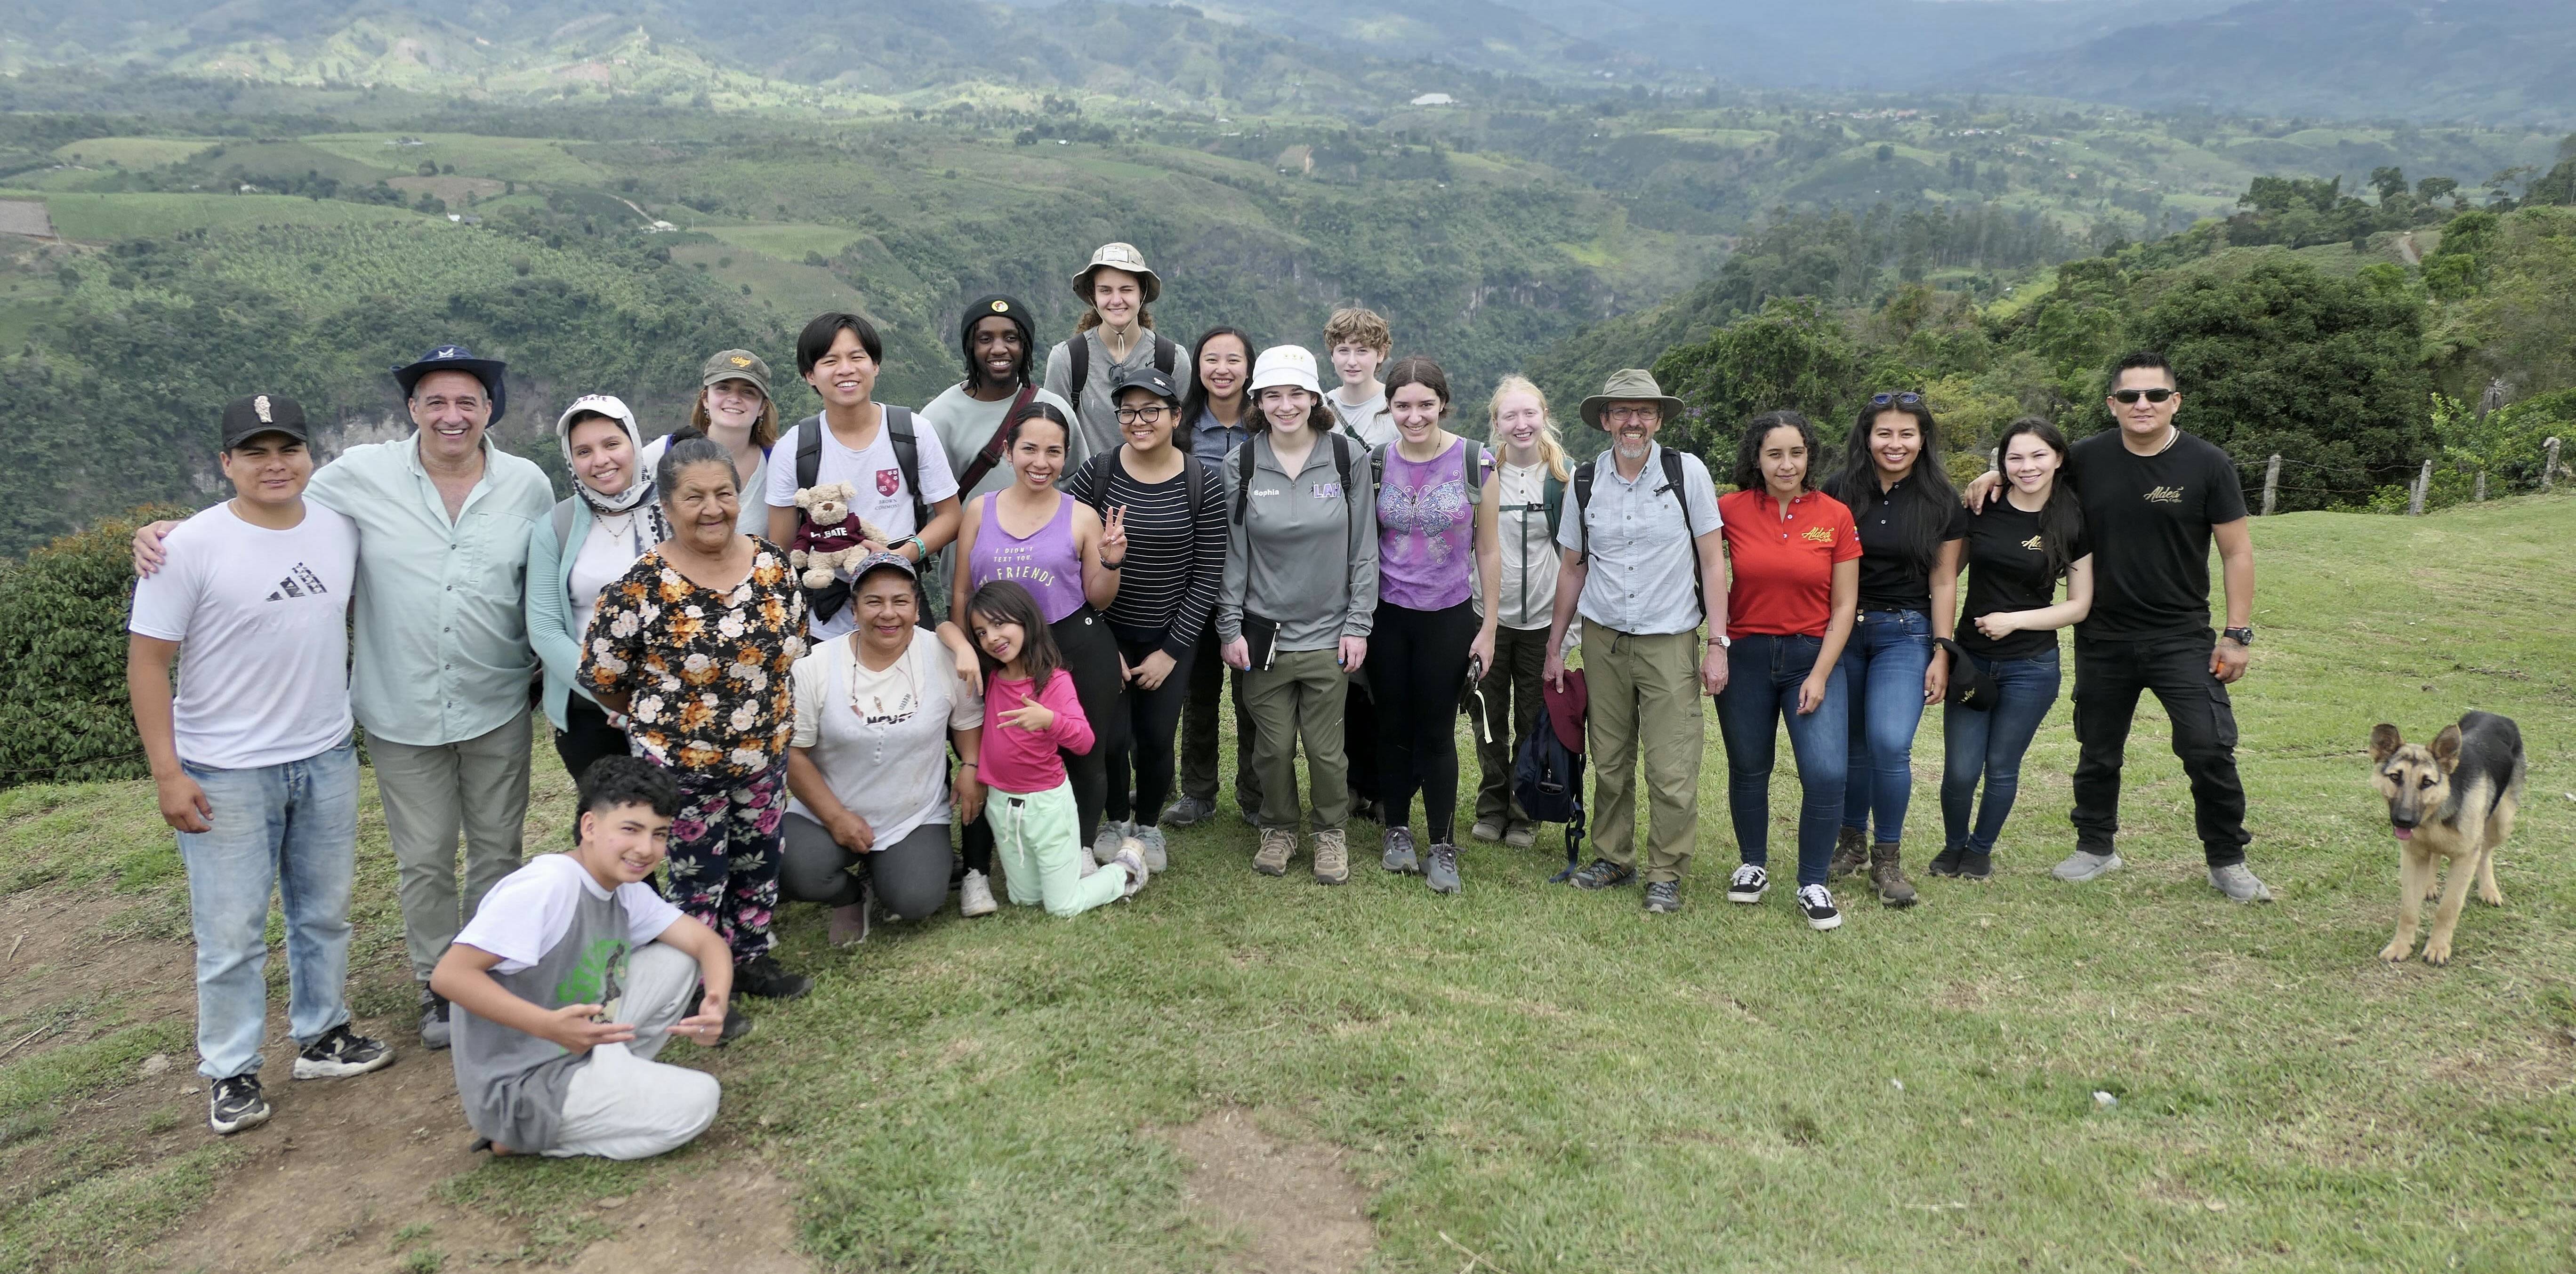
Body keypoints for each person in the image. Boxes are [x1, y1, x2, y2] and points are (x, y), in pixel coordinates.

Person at [133, 343, 555, 1051]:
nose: (452, 416)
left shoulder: (528, 485)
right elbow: (266, 501)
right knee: (423, 858)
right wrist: (168, 532)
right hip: (398, 707)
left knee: (495, 850)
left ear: (490, 410)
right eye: (436, 402)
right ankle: (439, 980)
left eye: (467, 402)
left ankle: (493, 970)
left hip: (497, 700)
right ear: (412, 410)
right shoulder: (357, 475)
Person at [127, 394, 392, 1137]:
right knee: (232, 928)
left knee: (324, 909)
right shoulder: (189, 546)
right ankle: (232, 1068)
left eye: (288, 450)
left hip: (325, 751)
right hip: (224, 767)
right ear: (226, 464)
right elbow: (147, 662)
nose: (274, 465)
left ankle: (322, 1034)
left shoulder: (339, 528)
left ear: (311, 455)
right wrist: (167, 772)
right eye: (255, 452)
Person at [1963, 352, 2267, 901]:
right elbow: (2034, 468)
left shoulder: (2207, 464)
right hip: (2102, 634)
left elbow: (2237, 552)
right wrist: (1993, 473)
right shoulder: (2086, 458)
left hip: (2181, 633)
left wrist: (2236, 633)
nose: (2142, 405)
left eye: (2155, 395)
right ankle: (2096, 846)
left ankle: (2227, 858)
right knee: (2098, 748)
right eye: (2129, 396)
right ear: (2113, 404)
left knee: (2207, 746)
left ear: (2175, 401)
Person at [584, 428, 811, 1023]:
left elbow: (794, 646)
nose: (713, 508)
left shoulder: (772, 566)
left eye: (724, 494)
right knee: (695, 877)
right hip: (680, 766)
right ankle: (700, 986)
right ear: (666, 506)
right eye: (694, 497)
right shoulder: (643, 583)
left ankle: (752, 958)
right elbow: (602, 672)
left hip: (764, 754)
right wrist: (657, 717)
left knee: (759, 861)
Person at [431, 756, 733, 1160]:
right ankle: (524, 1134)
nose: (645, 849)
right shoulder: (547, 886)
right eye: (630, 829)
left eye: (659, 834)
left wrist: (716, 1001)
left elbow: (707, 944)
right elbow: (449, 976)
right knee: (700, 1099)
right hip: (522, 1083)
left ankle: (610, 1078)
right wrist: (548, 1026)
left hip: (580, 1044)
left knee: (677, 960)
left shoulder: (626, 888)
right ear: (589, 826)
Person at [1543, 369, 1727, 915]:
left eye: (1644, 411)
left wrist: (1718, 643)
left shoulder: (1685, 471)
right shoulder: (1584, 479)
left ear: (1659, 418)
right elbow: (1573, 568)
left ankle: (1666, 871)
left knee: (1672, 764)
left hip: (1669, 638)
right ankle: (1613, 856)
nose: (1633, 422)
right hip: (1604, 638)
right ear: (1605, 420)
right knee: (1611, 757)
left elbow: (1713, 560)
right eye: (1622, 411)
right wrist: (1557, 646)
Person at [1219, 345, 1379, 883]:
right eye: (1272, 395)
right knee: (1272, 746)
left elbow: (1364, 548)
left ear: (1314, 398)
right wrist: (1229, 627)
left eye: (1295, 394)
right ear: (1257, 402)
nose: (1285, 406)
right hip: (1263, 634)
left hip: (1329, 632)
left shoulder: (1344, 457)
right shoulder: (1240, 464)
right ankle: (1280, 828)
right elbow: (1233, 553)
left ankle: (1331, 834)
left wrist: (1358, 623)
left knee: (1326, 748)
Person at [952, 401, 1129, 880]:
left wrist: (1111, 561)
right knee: (996, 753)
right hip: (997, 652)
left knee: (1085, 753)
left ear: (1066, 456)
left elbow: (1099, 597)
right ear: (1009, 451)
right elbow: (964, 590)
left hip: (1072, 644)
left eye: (1054, 451)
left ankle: (1081, 847)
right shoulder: (979, 510)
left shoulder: (1083, 516)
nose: (1041, 461)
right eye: (1029, 448)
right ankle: (982, 864)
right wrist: (963, 647)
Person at [1067, 365, 1227, 872]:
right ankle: (1116, 818)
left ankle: (1151, 825)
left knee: (1157, 737)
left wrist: (1171, 651)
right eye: (1129, 411)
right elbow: (1068, 554)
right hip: (1105, 632)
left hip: (1169, 634)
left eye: (1152, 410)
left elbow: (1207, 575)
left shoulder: (1203, 480)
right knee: (1112, 738)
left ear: (1176, 416)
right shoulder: (1099, 473)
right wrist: (1100, 643)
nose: (1140, 421)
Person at [780, 553, 985, 945]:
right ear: (854, 610)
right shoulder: (816, 665)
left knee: (916, 900)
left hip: (912, 815)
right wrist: (837, 816)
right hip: (828, 812)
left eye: (901, 601)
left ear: (916, 607)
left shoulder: (944, 656)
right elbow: (794, 752)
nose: (888, 613)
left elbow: (967, 720)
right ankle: (849, 895)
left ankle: (885, 870)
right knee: (794, 867)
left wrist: (972, 765)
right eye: (874, 602)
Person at [1712, 411, 1862, 931]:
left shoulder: (1835, 515)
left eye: (1796, 453)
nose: (1786, 464)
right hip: (1746, 654)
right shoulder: (1729, 508)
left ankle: (1813, 881)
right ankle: (1753, 864)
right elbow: (1700, 565)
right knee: (1749, 766)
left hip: (1811, 657)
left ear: (1809, 456)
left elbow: (1845, 606)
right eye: (1774, 453)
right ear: (1757, 457)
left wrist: (1821, 673)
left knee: (1825, 772)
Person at [1818, 393, 1968, 908]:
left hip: (1905, 632)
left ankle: (1887, 857)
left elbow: (1945, 580)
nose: (1895, 443)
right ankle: (1851, 843)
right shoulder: (1838, 491)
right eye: (1885, 433)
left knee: (1888, 742)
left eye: (1907, 434)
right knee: (1851, 745)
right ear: (1866, 436)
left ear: (1923, 440)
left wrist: (1942, 651)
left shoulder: (1942, 499)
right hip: (1841, 631)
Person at [1937, 418, 2093, 880]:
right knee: (1961, 770)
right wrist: (1942, 644)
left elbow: (2079, 605)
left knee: (2002, 766)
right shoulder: (1982, 507)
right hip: (1970, 662)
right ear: (2002, 463)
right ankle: (1953, 846)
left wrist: (2014, 621)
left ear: (2059, 458)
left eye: (2039, 456)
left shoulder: (2072, 518)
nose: (2028, 467)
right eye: (2016, 458)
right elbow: (1946, 575)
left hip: (2032, 666)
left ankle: (1981, 851)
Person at [1366, 357, 1499, 894]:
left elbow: (1488, 550)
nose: (1414, 416)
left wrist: (1488, 627)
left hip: (1447, 615)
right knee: (1393, 728)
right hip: (1387, 615)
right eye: (1403, 405)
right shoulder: (1375, 464)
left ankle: (1442, 844)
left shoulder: (1475, 461)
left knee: (1439, 733)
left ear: (1442, 402)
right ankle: (1397, 831)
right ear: (1390, 406)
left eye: (1425, 404)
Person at [766, 312, 963, 648]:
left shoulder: (912, 432)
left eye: (857, 357)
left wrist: (903, 555)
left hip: (900, 607)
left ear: (875, 366)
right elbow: (782, 549)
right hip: (825, 625)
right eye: (830, 360)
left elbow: (951, 516)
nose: (846, 369)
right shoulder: (794, 448)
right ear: (810, 375)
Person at [966, 581, 1150, 915]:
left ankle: (1125, 868)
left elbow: (1084, 740)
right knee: (1024, 898)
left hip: (1047, 808)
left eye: (998, 624)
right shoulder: (993, 675)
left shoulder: (1053, 680)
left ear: (1025, 620)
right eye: (980, 632)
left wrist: (1049, 719)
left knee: (1062, 906)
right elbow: (948, 629)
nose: (990, 638)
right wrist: (962, 645)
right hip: (1003, 807)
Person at [529, 395, 668, 781]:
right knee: (613, 830)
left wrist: (655, 690)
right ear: (571, 459)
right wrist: (611, 692)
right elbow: (544, 628)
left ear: (634, 443)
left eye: (611, 444)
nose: (601, 460)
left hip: (676, 699)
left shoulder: (675, 508)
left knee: (681, 827)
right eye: (584, 451)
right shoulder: (556, 525)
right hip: (589, 708)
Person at [922, 295, 1081, 617]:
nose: (999, 349)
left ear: (1025, 347)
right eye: (985, 339)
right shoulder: (938, 418)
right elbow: (925, 503)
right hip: (972, 586)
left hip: (1047, 583)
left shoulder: (1054, 410)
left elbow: (1077, 485)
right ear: (970, 347)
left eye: (1011, 338)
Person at [1166, 325, 1263, 829]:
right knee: (1197, 690)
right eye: (1211, 359)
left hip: (1258, 581)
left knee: (1254, 693)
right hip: (1194, 578)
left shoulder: (1268, 426)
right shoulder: (1180, 430)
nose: (1221, 369)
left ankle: (1255, 794)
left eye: (1233, 359)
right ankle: (1198, 792)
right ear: (1197, 367)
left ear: (1250, 368)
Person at [1468, 375, 1570, 850]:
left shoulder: (1565, 478)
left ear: (1544, 415)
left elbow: (1579, 561)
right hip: (1488, 619)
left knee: (1534, 719)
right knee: (1488, 714)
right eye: (1510, 415)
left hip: (1543, 623)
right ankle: (1491, 805)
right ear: (1496, 423)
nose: (1521, 423)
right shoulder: (1482, 473)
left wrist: (1566, 637)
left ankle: (1524, 809)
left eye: (1530, 413)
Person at [1042, 243, 1195, 459]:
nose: (1116, 300)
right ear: (1093, 295)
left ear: (1141, 294)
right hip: (1086, 489)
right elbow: (1050, 435)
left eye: (1126, 290)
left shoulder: (1171, 359)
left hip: (1155, 489)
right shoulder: (1068, 359)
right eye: (1105, 290)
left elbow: (1183, 434)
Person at [642, 350, 779, 534]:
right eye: (723, 388)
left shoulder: (778, 460)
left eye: (748, 392)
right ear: (705, 399)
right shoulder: (665, 451)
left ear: (762, 407)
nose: (734, 399)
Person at [1323, 306, 1397, 448]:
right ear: (1332, 354)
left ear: (1381, 353)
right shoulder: (1319, 408)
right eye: (1343, 351)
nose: (1352, 362)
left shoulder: (1397, 407)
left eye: (1362, 351)